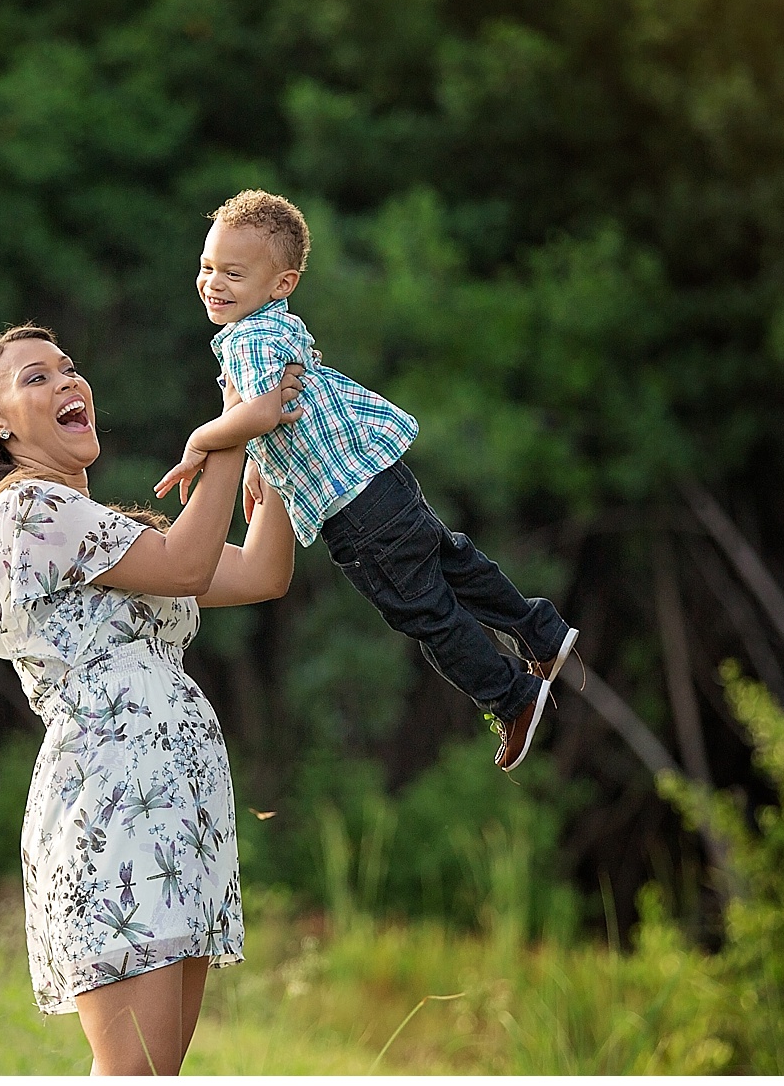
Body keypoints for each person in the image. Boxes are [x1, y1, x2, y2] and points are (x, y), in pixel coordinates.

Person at [0, 324, 303, 1075]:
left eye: (69, 369)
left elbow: (262, 572)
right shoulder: (28, 513)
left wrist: (272, 449)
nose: (66, 382)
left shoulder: (105, 531)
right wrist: (230, 432)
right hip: (115, 807)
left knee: (152, 1074)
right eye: (35, 378)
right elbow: (186, 564)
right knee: (135, 1073)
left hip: (177, 810)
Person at [156, 190, 580, 772]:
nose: (214, 283)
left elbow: (259, 412)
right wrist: (259, 461)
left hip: (352, 510)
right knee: (451, 561)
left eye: (233, 273)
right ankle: (540, 630)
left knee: (425, 611)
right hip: (381, 479)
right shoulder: (278, 327)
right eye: (207, 268)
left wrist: (201, 440)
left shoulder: (246, 339)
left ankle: (513, 696)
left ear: (281, 283)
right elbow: (282, 405)